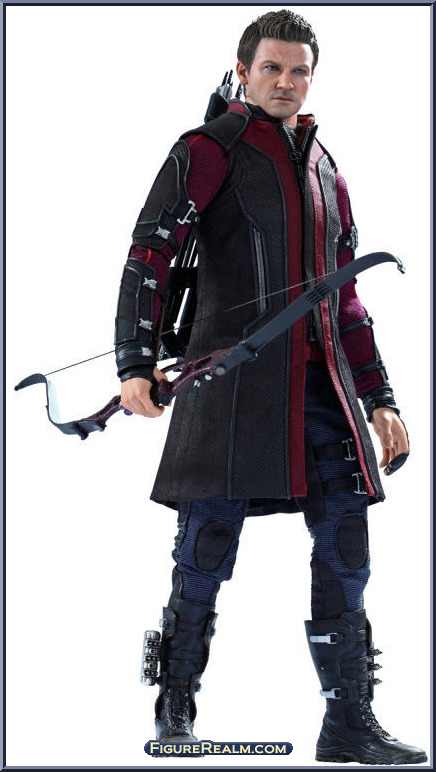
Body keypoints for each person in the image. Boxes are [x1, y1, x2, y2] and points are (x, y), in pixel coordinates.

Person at [114, 10, 427, 765]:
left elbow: (345, 298)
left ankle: (348, 721)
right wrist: (134, 362)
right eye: (272, 68)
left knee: (346, 545)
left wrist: (380, 398)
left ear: (311, 77)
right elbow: (151, 255)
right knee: (205, 549)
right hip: (230, 386)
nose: (285, 82)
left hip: (323, 390)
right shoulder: (206, 150)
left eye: (299, 71)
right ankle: (175, 712)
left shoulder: (326, 168)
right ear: (244, 70)